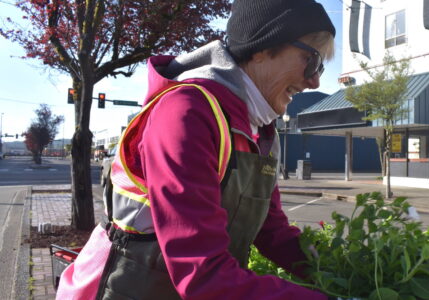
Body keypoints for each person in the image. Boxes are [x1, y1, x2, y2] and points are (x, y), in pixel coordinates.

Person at [55, 0, 336, 299]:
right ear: (263, 46)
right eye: (313, 60)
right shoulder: (186, 112)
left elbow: (274, 233)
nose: (315, 80)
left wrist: (343, 271)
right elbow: (202, 274)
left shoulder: (262, 131)